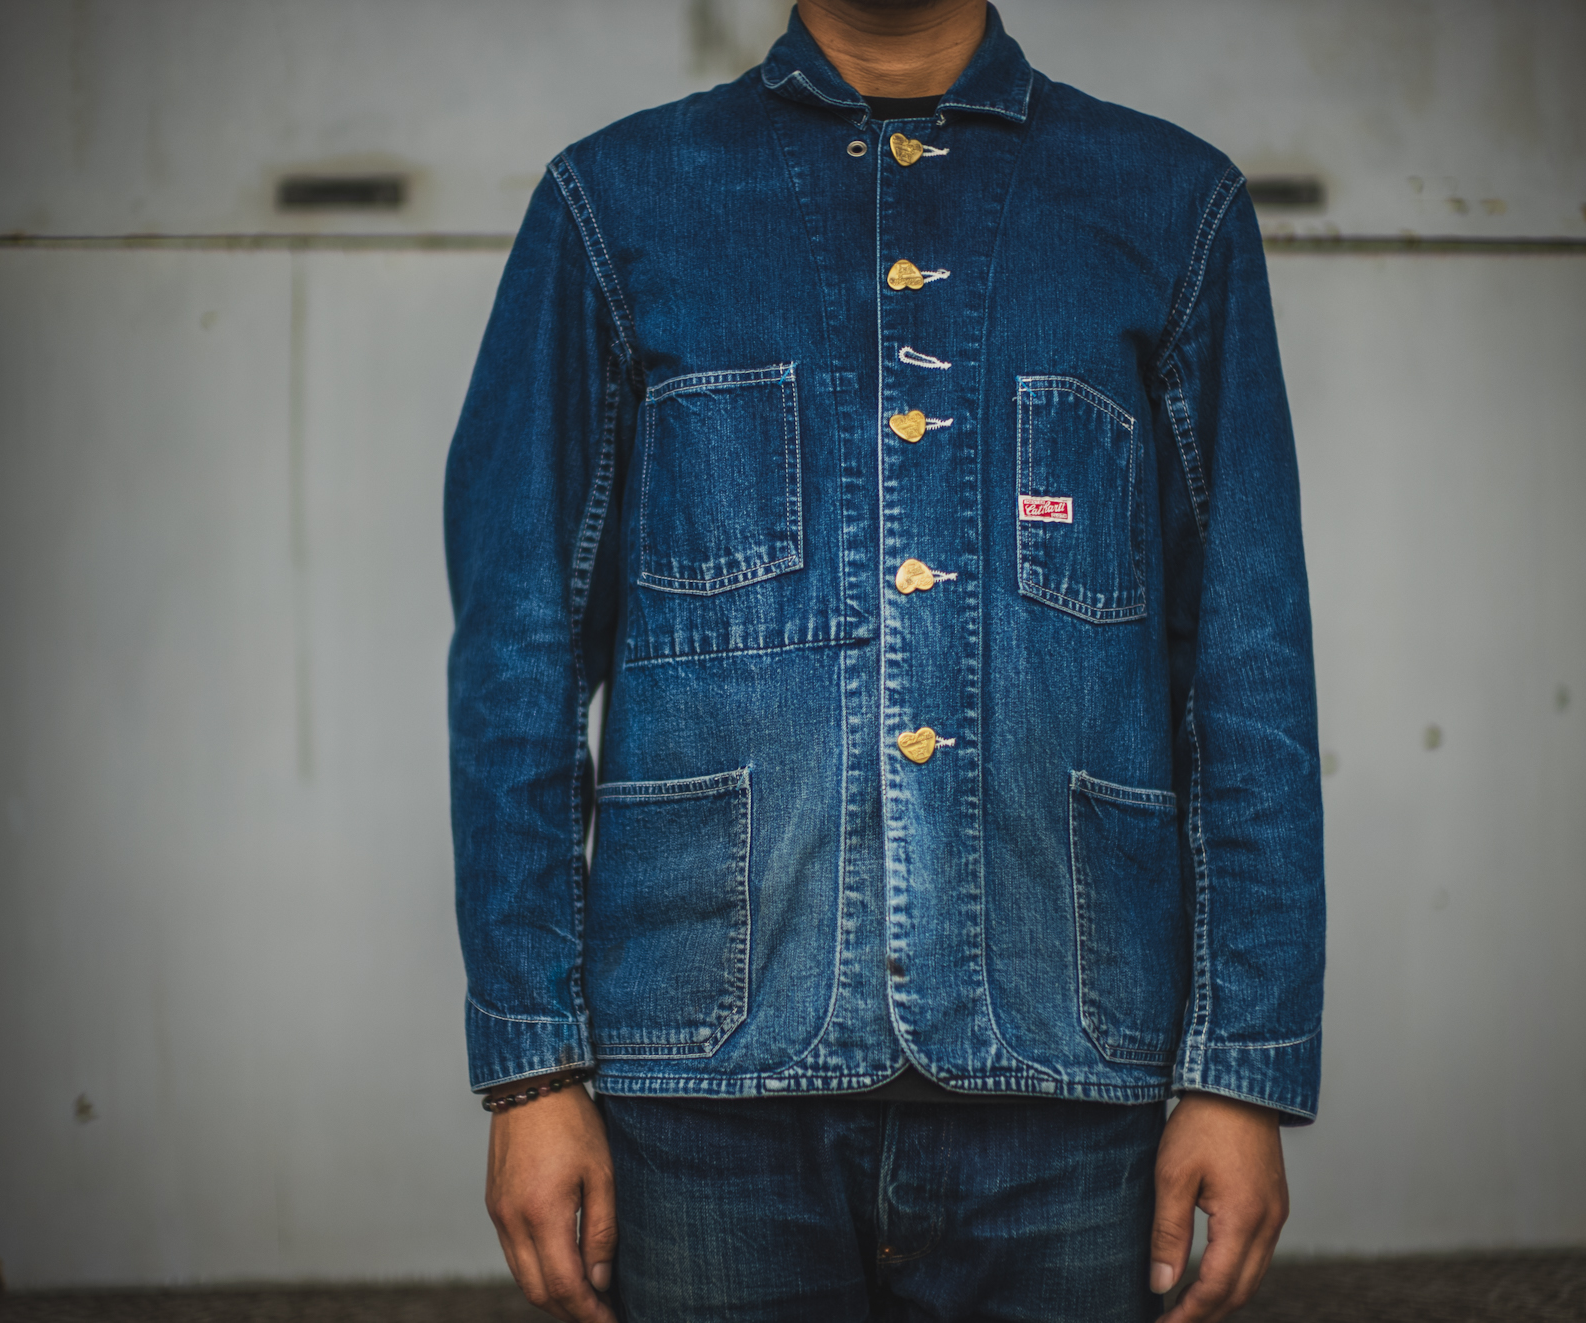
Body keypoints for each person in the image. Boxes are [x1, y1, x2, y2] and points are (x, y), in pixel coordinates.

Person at [443, 1, 1324, 1318]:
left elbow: (1248, 669)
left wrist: (1240, 1072)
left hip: (1070, 1074)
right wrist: (533, 1067)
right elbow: (518, 653)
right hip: (702, 1080)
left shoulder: (1170, 207)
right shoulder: (615, 204)